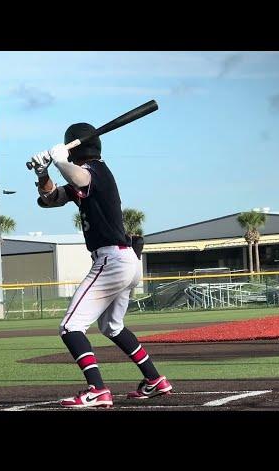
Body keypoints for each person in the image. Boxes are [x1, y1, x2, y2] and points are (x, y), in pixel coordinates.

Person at [30, 123, 172, 409]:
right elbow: (50, 199)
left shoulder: (96, 171)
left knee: (70, 327)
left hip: (112, 259)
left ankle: (97, 389)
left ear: (74, 147)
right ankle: (155, 380)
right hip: (124, 260)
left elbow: (81, 178)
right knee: (112, 327)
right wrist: (42, 172)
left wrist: (58, 160)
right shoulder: (85, 176)